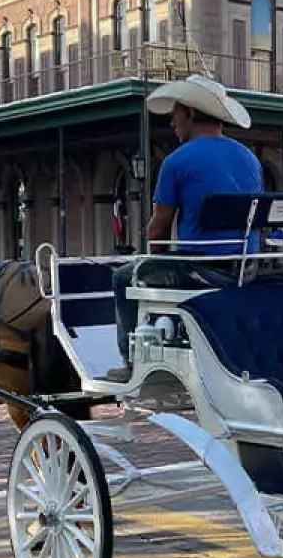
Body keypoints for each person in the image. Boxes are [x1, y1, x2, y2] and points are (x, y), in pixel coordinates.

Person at [106, 74, 262, 383]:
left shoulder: (177, 161)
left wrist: (153, 260)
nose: (172, 123)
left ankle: (131, 362)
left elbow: (158, 228)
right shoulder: (249, 157)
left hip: (200, 270)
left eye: (175, 114)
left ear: (190, 112)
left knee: (125, 276)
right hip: (249, 268)